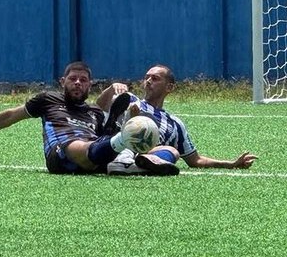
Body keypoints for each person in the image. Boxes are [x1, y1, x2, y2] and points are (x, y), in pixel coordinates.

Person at [0, 61, 142, 174]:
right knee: (81, 146)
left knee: (102, 144)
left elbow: (100, 108)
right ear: (63, 81)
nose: (77, 83)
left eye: (83, 80)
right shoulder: (49, 99)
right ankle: (123, 136)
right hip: (61, 152)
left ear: (90, 85)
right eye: (73, 79)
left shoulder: (95, 112)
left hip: (94, 153)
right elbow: (10, 116)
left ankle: (124, 138)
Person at [97, 64, 258, 176]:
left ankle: (136, 165)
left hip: (145, 154)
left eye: (155, 78)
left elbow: (196, 160)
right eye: (146, 77)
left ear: (170, 87)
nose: (148, 81)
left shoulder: (175, 124)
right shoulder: (130, 100)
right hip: (115, 147)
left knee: (173, 152)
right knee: (135, 122)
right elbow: (101, 105)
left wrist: (230, 164)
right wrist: (111, 89)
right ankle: (123, 155)